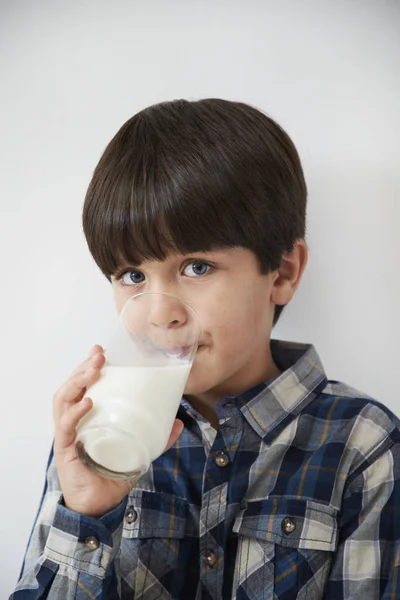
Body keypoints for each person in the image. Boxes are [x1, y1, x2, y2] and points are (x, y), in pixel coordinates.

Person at [11, 99, 400, 600]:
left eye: (196, 267)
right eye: (133, 276)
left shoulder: (364, 446)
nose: (159, 313)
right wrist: (84, 515)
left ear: (281, 273)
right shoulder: (97, 438)